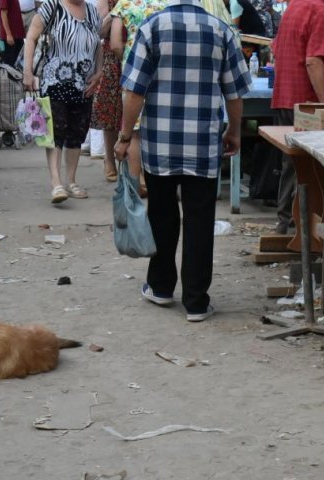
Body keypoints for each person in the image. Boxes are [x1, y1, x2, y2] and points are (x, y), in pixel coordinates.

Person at [116, 0, 250, 322]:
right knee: (200, 220)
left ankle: (161, 288)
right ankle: (196, 302)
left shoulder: (152, 28)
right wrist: (233, 132)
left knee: (162, 214)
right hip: (202, 144)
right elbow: (234, 93)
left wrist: (123, 137)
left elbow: (134, 92)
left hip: (160, 142)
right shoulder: (222, 31)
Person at [23, 0, 103, 203]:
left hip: (83, 84)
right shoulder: (52, 6)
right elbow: (31, 37)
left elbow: (98, 46)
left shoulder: (92, 12)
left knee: (77, 132)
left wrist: (99, 71)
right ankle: (56, 183)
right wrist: (27, 73)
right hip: (54, 80)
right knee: (56, 131)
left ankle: (72, 181)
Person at [271, 0, 324, 233]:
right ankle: (303, 225)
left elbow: (278, 48)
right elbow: (312, 61)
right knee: (310, 166)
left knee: (291, 163)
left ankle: (286, 221)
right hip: (305, 101)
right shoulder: (320, 11)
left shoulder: (294, 7)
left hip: (284, 95)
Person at [109, 0, 169, 188]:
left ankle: (137, 181)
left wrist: (127, 58)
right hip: (162, 67)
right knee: (160, 126)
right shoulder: (166, 3)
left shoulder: (125, 4)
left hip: (134, 67)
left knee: (133, 131)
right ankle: (162, 181)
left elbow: (115, 43)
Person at [90, 9, 123, 183]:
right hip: (112, 57)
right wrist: (117, 11)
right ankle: (109, 159)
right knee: (110, 110)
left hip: (138, 51)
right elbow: (98, 30)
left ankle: (133, 161)